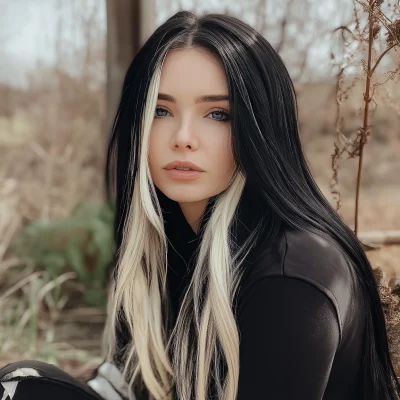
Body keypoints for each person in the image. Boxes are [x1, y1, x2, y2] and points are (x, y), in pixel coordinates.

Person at [1, 10, 399, 400]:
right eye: (161, 110)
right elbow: (125, 384)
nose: (183, 137)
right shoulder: (168, 240)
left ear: (260, 128)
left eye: (217, 114)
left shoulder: (291, 278)